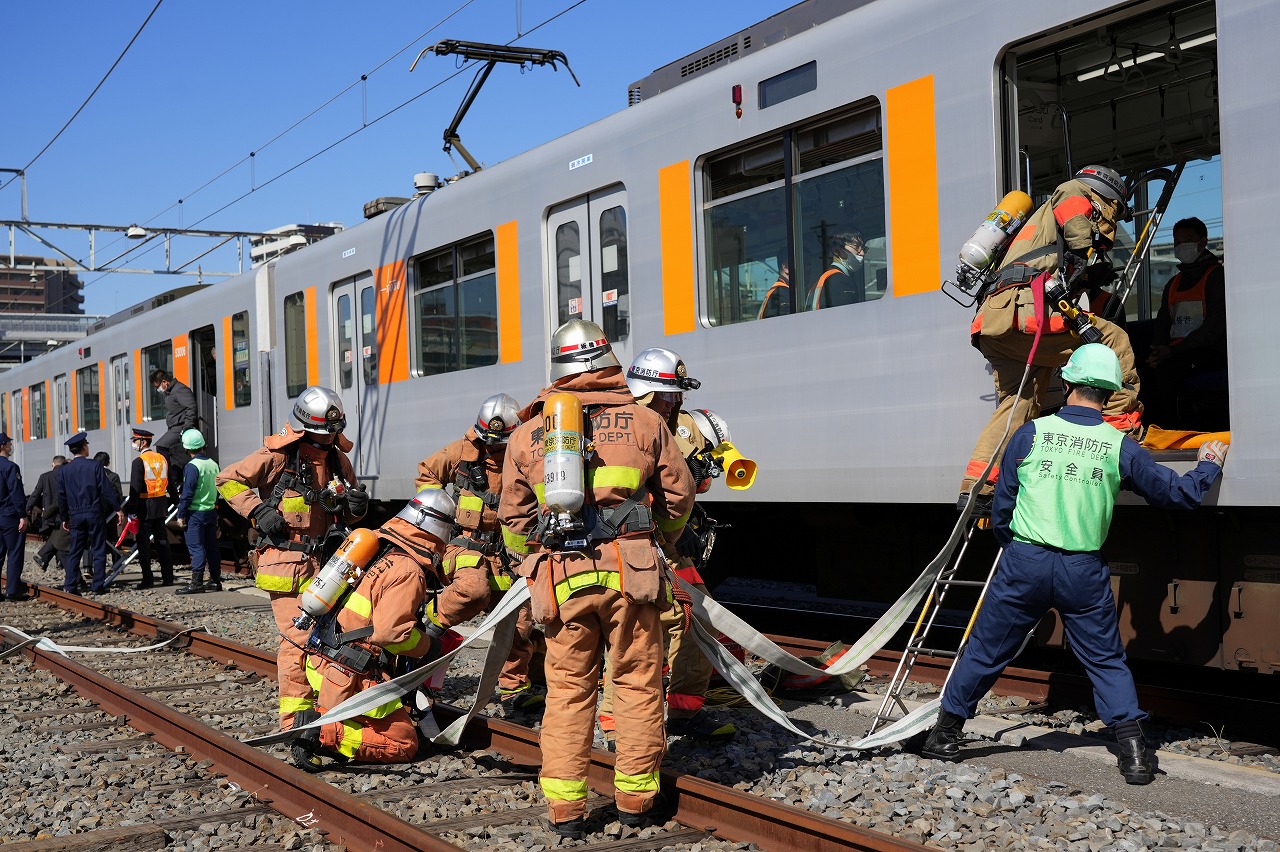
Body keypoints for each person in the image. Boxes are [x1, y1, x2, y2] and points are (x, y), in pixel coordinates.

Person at [921, 344, 1228, 786]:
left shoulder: (1030, 434)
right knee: (1105, 660)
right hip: (1082, 569)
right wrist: (1207, 466)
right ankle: (1136, 756)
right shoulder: (1118, 444)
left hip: (1024, 561)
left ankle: (945, 737)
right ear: (1109, 394)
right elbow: (1176, 495)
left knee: (986, 651)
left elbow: (1003, 508)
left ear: (1067, 383)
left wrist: (1018, 550)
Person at [500, 319, 695, 838]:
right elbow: (679, 497)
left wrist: (531, 563)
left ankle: (565, 808)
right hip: (631, 573)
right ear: (608, 361)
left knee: (567, 690)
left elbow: (514, 522)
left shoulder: (526, 434)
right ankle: (634, 798)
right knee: (634, 681)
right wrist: (664, 541)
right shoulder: (646, 422)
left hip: (560, 576)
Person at [960, 165, 1144, 508]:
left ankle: (980, 486)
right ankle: (1121, 434)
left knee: (1019, 402)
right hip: (1025, 315)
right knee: (1114, 341)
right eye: (1115, 212)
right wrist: (1084, 253)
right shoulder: (1074, 191)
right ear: (1107, 197)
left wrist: (1084, 271)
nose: (1111, 222)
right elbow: (1075, 219)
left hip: (996, 323)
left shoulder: (1036, 228)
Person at [597, 348, 737, 748]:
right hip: (629, 546)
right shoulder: (624, 430)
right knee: (637, 631)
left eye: (677, 396)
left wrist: (693, 486)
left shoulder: (669, 427)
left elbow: (678, 490)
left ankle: (682, 712)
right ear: (642, 395)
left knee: (699, 622)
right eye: (666, 396)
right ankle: (614, 722)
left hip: (667, 545)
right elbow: (620, 494)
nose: (674, 404)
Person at [215, 386, 367, 730]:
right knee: (299, 641)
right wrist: (257, 511)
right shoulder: (278, 458)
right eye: (319, 435)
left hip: (330, 563)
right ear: (302, 429)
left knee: (337, 636)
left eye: (331, 435)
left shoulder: (338, 461)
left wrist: (357, 509)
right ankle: (294, 721)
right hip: (287, 566)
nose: (326, 441)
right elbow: (226, 480)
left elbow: (343, 513)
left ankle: (328, 711)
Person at [293, 488, 456, 771]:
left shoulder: (377, 546)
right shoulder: (409, 569)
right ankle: (321, 734)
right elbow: (391, 634)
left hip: (322, 662)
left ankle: (323, 721)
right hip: (350, 676)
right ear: (440, 529)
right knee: (403, 742)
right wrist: (430, 647)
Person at [414, 393, 540, 712]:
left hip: (509, 553)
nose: (494, 449)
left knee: (519, 620)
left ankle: (514, 688)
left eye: (501, 444)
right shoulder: (463, 452)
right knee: (473, 590)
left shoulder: (526, 455)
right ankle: (427, 625)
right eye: (490, 442)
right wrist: (438, 514)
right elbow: (427, 473)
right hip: (464, 547)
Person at [1143, 217, 1227, 428]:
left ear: (1203, 242)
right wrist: (1157, 350)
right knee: (1141, 370)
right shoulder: (1173, 283)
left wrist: (1172, 352)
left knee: (1167, 373)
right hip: (1177, 352)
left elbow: (1214, 329)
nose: (1181, 247)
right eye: (1177, 242)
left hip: (1209, 351)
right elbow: (1163, 323)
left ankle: (1172, 430)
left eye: (1187, 240)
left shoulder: (1217, 277)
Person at [55, 433, 124, 595]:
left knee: (75, 550)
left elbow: (61, 496)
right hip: (94, 513)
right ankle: (97, 586)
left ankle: (70, 585)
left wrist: (65, 517)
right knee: (98, 549)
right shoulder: (95, 466)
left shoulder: (64, 470)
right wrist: (117, 509)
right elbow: (106, 490)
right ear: (84, 447)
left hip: (76, 515)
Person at [124, 428, 175, 589]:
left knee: (143, 544)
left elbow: (135, 488)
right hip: (160, 506)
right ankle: (168, 577)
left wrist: (130, 510)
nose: (134, 444)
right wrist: (177, 502)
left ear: (143, 442)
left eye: (135, 441)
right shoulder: (162, 459)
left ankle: (148, 579)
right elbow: (171, 483)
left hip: (144, 508)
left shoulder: (138, 462)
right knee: (163, 542)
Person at [176, 429, 222, 594]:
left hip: (195, 513)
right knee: (211, 547)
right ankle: (216, 581)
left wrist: (181, 514)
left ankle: (197, 583)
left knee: (196, 547)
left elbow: (187, 494)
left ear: (187, 448)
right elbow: (218, 489)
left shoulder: (192, 467)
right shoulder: (213, 464)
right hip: (210, 511)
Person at [0, 433, 29, 602]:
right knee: (15, 552)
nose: (11, 445)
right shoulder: (11, 467)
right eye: (9, 443)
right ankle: (12, 591)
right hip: (9, 515)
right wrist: (22, 515)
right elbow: (16, 493)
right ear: (3, 446)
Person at [151, 369, 198, 471]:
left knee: (162, 446)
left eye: (157, 386)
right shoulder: (170, 392)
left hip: (181, 426)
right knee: (174, 452)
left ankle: (171, 476)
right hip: (175, 428)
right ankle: (176, 475)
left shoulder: (179, 389)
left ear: (164, 382)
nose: (157, 389)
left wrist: (187, 428)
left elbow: (191, 407)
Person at [28, 456, 68, 575]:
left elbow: (36, 494)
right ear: (65, 463)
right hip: (64, 513)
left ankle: (46, 559)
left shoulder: (45, 476)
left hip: (50, 513)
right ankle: (52, 561)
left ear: (52, 464)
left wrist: (28, 508)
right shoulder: (67, 475)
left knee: (56, 537)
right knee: (58, 538)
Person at [809, 231, 866, 310]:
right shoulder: (842, 281)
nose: (862, 253)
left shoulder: (821, 281)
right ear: (836, 251)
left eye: (863, 248)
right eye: (857, 247)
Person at [94, 451, 123, 544]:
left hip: (95, 512)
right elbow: (119, 494)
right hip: (111, 512)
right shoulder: (113, 476)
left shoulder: (92, 475)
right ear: (108, 463)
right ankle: (116, 558)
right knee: (113, 538)